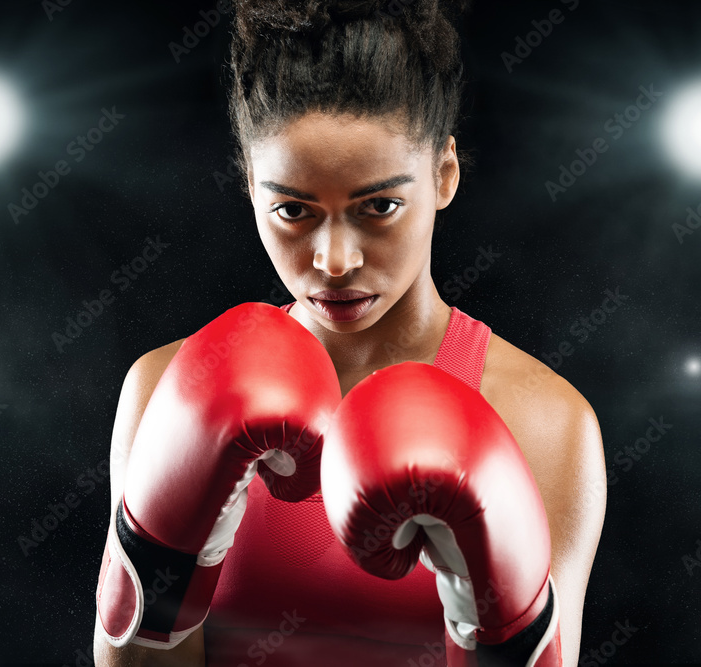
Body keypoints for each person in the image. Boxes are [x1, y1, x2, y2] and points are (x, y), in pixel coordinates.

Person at [93, 1, 607, 665]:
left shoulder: (544, 420)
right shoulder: (167, 385)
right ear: (251, 186)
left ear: (445, 175)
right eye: (294, 210)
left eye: (379, 206)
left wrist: (494, 620)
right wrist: (166, 544)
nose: (334, 259)